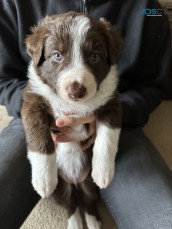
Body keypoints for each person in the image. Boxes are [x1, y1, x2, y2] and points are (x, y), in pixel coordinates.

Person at [0, 0, 171, 228]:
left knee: (164, 218)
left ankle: (88, 207)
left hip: (119, 121)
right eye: (58, 56)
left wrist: (109, 117)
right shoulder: (12, 3)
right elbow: (3, 80)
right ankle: (73, 209)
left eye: (94, 57)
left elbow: (154, 86)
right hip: (33, 121)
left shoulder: (146, 8)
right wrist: (40, 115)